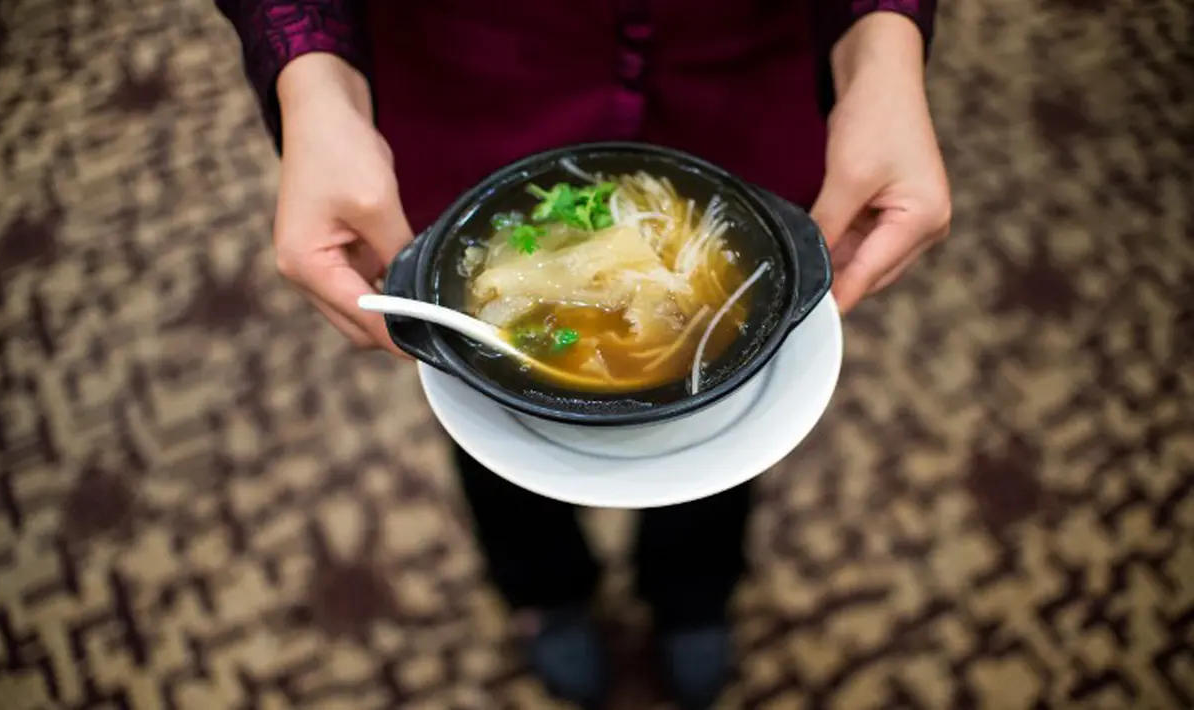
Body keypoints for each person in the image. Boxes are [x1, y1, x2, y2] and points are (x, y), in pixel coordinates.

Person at [214, 2, 950, 708]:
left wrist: (882, 54)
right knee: (491, 409)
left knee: (720, 413)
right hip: (475, 92)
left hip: (732, 96)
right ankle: (545, 591)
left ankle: (690, 591)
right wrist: (315, 89)